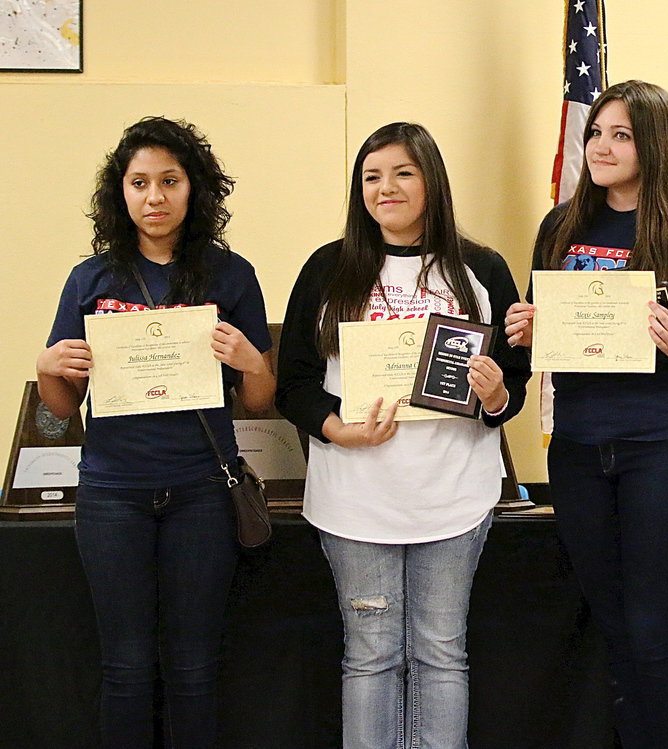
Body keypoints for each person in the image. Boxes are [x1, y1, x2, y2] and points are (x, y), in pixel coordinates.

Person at [504, 80, 668, 748]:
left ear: (656, 145)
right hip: (581, 448)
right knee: (615, 632)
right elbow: (542, 325)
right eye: (595, 133)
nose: (601, 146)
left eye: (621, 135)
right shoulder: (561, 228)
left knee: (656, 633)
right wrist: (526, 325)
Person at [275, 122, 529, 749]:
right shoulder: (329, 268)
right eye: (371, 176)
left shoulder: (482, 269)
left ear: (431, 181)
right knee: (370, 656)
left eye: (402, 173)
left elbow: (512, 388)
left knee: (443, 655)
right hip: (355, 496)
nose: (385, 188)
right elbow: (296, 383)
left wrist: (496, 394)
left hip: (453, 496)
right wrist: (340, 429)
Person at [36, 116, 274, 748]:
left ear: (194, 189)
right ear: (121, 192)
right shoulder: (91, 279)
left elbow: (257, 400)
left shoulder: (231, 274)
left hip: (202, 491)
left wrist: (254, 362)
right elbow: (62, 407)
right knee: (126, 668)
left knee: (195, 669)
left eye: (169, 180)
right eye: (139, 182)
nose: (154, 197)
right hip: (113, 494)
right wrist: (47, 368)